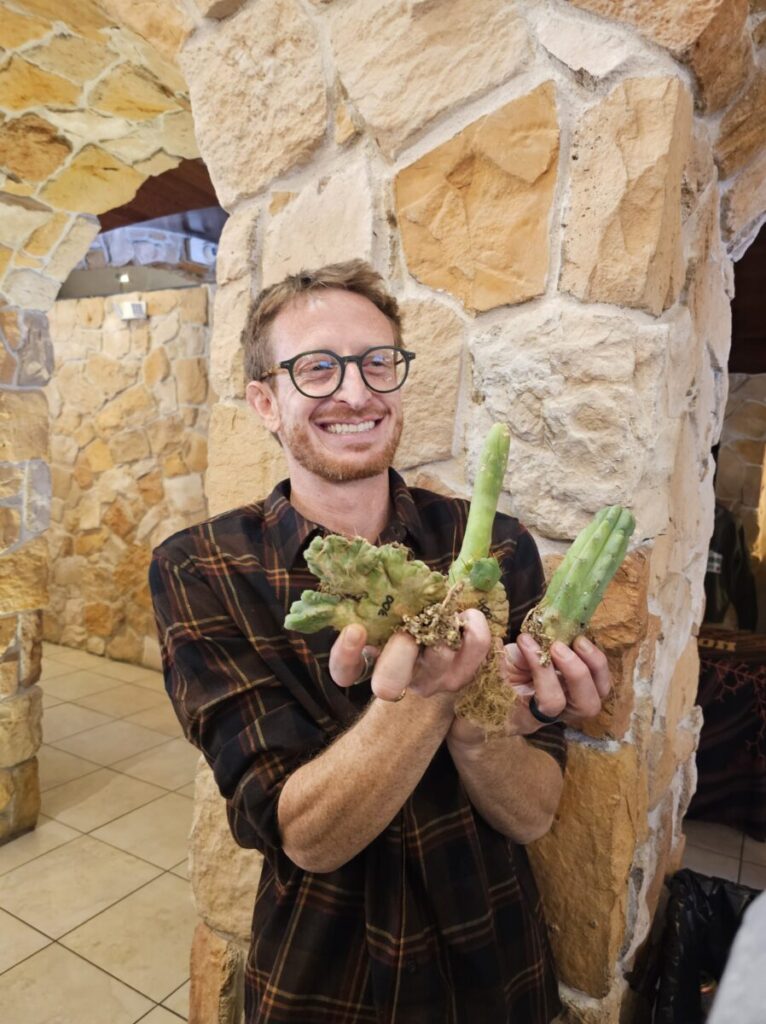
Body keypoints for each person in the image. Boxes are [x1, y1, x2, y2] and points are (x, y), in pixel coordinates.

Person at [149, 260, 611, 1024]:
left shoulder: (494, 544)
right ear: (266, 401)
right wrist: (437, 692)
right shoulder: (199, 569)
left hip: (497, 971)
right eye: (317, 369)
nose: (356, 392)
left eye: (376, 363)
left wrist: (478, 725)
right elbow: (306, 834)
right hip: (323, 984)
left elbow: (532, 816)